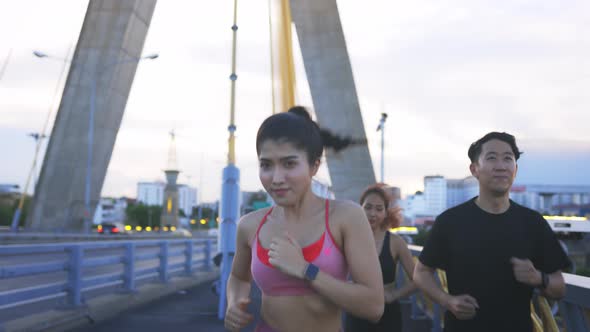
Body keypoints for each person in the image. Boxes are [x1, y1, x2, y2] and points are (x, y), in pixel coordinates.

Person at [224, 106, 384, 332]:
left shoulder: (345, 217)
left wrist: (305, 269)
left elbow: (374, 306)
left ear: (314, 166)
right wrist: (233, 302)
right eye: (266, 165)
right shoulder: (250, 226)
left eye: (289, 163)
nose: (277, 178)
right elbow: (239, 278)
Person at [413, 132, 571, 332]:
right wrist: (447, 301)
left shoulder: (533, 223)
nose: (501, 166)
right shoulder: (450, 221)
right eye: (491, 158)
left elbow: (559, 286)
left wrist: (539, 278)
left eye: (508, 158)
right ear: (474, 169)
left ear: (515, 169)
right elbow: (421, 272)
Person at [345, 184, 417, 332]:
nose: (372, 213)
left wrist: (394, 295)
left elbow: (420, 279)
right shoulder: (347, 239)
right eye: (368, 207)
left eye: (379, 209)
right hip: (356, 311)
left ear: (385, 213)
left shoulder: (396, 242)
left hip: (388, 314)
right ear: (360, 208)